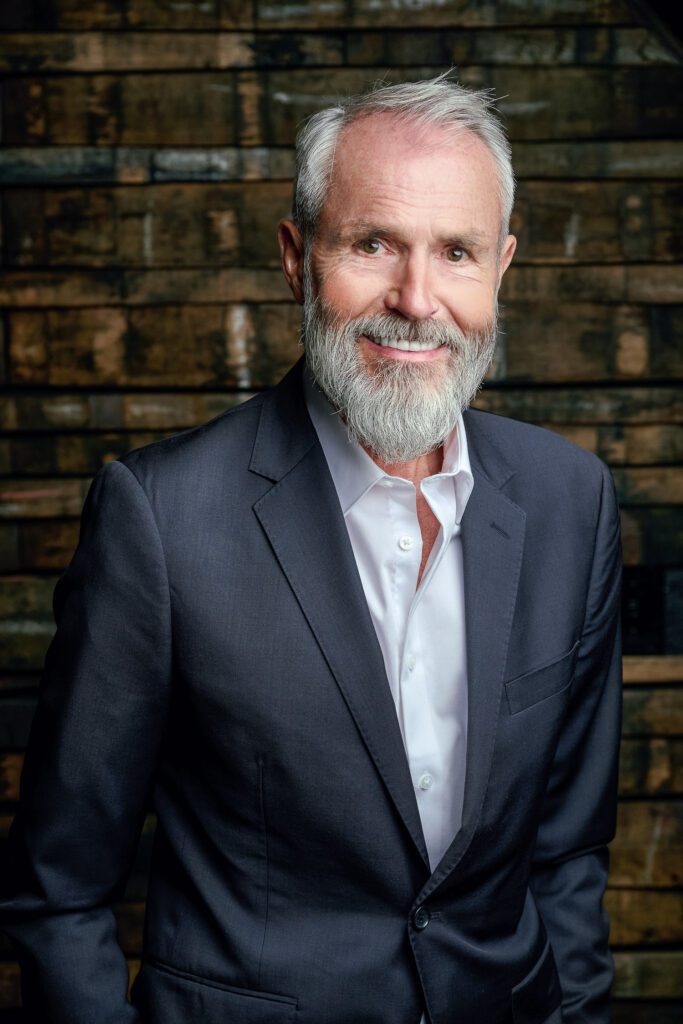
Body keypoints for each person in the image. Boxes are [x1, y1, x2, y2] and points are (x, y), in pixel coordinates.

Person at [1, 76, 622, 1024]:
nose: (416, 300)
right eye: (372, 244)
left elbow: (566, 853)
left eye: (454, 252)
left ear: (499, 268)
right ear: (297, 258)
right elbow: (59, 891)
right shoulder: (159, 519)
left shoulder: (569, 500)